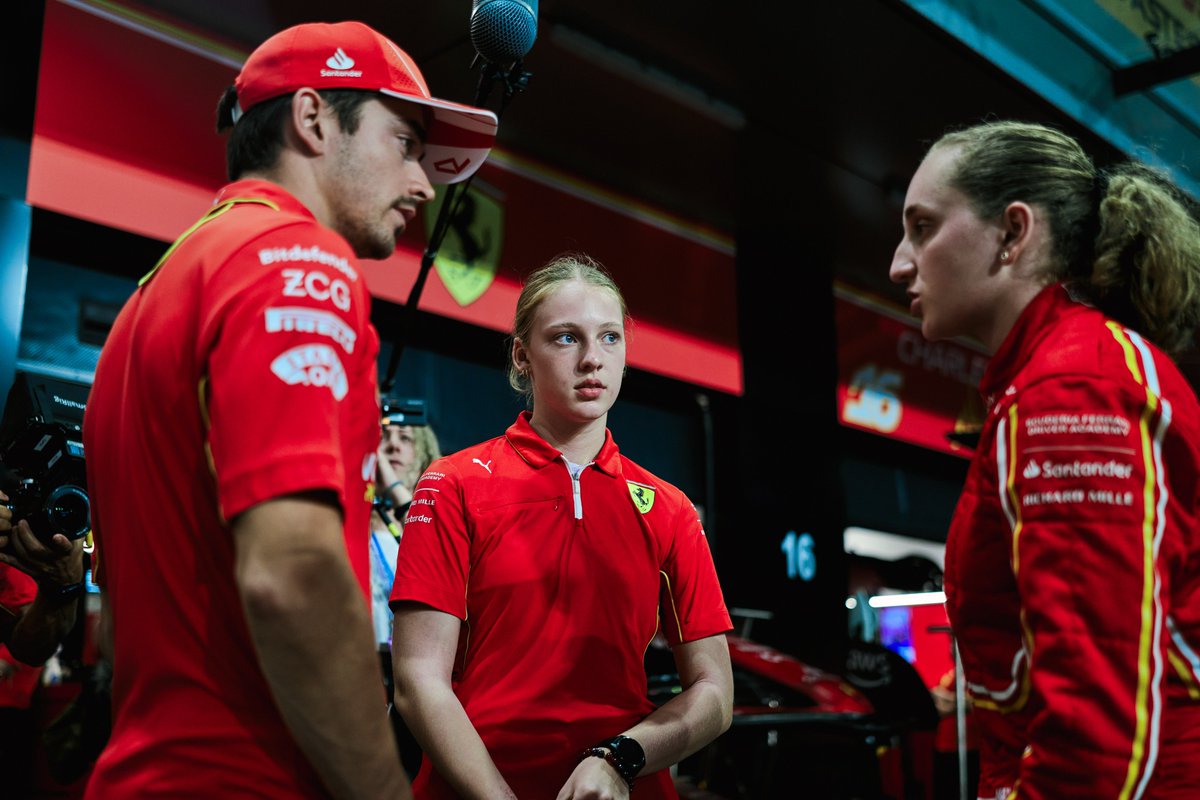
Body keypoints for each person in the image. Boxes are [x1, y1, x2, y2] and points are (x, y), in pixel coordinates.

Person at [82, 21, 496, 799]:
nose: (424, 185)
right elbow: (294, 571)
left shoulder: (157, 291)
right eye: (404, 143)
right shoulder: (298, 258)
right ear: (312, 120)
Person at [889, 120, 1200, 798]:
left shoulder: (1072, 388)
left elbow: (1098, 735)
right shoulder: (1054, 377)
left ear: (1012, 232)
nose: (899, 263)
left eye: (922, 227)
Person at [389, 255, 734, 799]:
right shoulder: (453, 483)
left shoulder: (670, 509)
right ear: (523, 356)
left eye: (610, 338)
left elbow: (715, 692)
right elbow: (417, 680)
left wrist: (620, 758)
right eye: (567, 338)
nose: (593, 360)